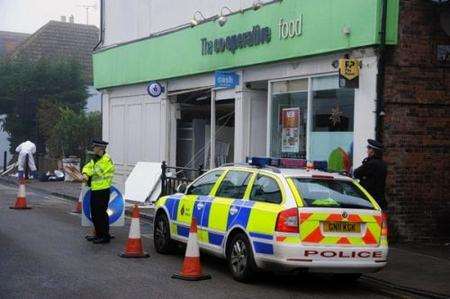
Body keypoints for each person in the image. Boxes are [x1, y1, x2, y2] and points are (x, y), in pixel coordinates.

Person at [82, 140, 116, 244]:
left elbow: (99, 171)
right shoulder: (95, 159)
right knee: (95, 213)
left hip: (103, 190)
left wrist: (88, 174)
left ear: (101, 148)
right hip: (95, 189)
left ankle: (104, 236)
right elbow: (88, 167)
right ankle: (98, 234)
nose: (93, 149)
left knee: (101, 214)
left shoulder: (106, 160)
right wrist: (85, 172)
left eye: (95, 147)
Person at [354, 139, 388, 210]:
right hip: (379, 200)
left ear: (373, 151)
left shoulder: (371, 163)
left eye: (369, 148)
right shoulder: (383, 164)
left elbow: (356, 173)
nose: (367, 150)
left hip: (369, 200)